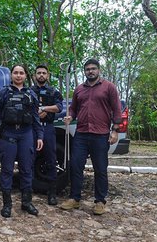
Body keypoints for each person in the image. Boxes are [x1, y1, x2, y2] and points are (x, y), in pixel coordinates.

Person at [59, 58, 122, 215]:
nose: (90, 71)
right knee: (75, 166)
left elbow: (116, 110)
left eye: (93, 68)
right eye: (87, 69)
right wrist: (70, 117)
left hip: (100, 135)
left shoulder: (109, 87)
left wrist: (115, 130)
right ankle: (74, 198)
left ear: (99, 70)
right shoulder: (79, 89)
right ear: (84, 71)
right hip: (81, 134)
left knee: (100, 169)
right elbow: (73, 109)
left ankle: (100, 201)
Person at [0, 64, 44, 218]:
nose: (18, 75)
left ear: (26, 76)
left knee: (26, 169)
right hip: (8, 134)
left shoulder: (31, 94)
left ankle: (26, 202)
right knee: (7, 170)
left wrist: (39, 136)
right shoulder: (3, 92)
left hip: (26, 134)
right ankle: (7, 204)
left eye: (21, 73)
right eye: (15, 73)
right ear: (11, 75)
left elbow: (36, 117)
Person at [31, 65, 63, 205]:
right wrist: (35, 111)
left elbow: (59, 107)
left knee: (51, 159)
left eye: (44, 73)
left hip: (47, 128)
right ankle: (28, 190)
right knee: (28, 159)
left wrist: (44, 109)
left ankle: (52, 193)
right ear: (34, 76)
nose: (41, 75)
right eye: (39, 73)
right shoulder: (29, 91)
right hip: (31, 129)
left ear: (48, 76)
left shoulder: (53, 91)